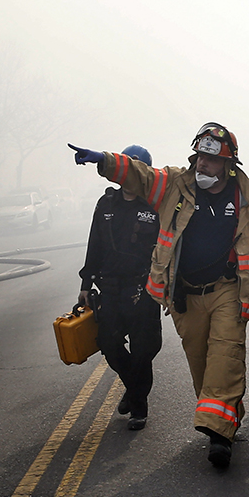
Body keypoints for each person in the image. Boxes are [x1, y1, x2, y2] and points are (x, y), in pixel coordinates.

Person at [69, 123, 249, 468]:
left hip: (228, 291)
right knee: (202, 363)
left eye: (210, 160)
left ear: (228, 164)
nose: (202, 166)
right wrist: (106, 162)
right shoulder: (174, 186)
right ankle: (224, 417)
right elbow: (141, 176)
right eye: (198, 158)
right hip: (184, 296)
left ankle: (219, 437)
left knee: (225, 357)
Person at [78, 144, 162, 431]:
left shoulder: (157, 206)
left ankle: (138, 407)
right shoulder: (106, 205)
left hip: (144, 289)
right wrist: (85, 284)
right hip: (111, 288)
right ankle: (135, 388)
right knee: (109, 345)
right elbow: (95, 246)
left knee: (143, 350)